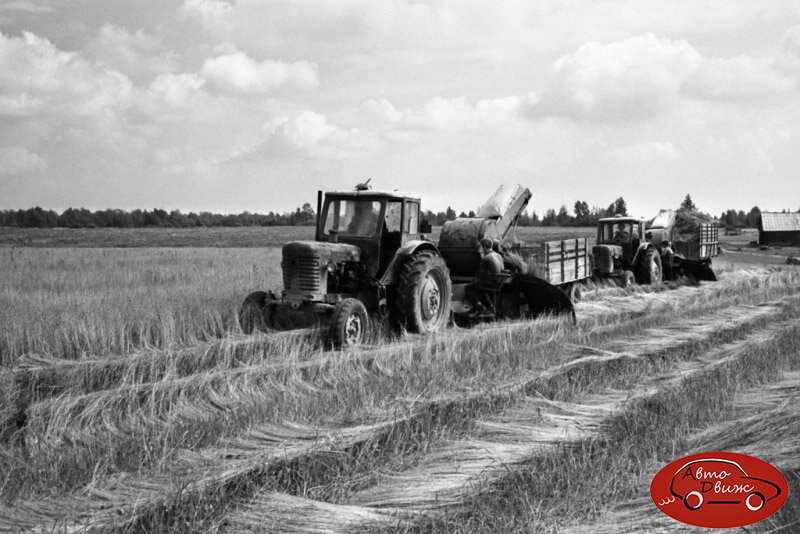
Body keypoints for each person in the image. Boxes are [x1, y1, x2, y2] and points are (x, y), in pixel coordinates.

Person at [465, 237, 505, 315]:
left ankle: (479, 307)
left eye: (481, 247)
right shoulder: (499, 255)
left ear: (484, 247)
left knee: (468, 288)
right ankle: (490, 307)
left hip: (491, 283)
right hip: (499, 283)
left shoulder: (486, 258)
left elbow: (481, 274)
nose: (481, 249)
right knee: (482, 289)